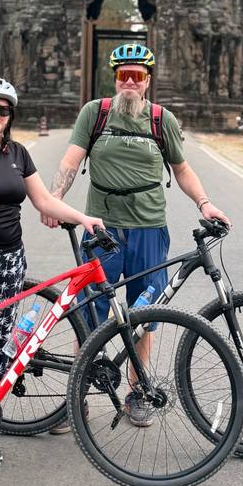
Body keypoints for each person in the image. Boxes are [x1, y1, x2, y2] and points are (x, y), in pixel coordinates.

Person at [42, 43, 230, 432]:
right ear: (115, 79)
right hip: (101, 229)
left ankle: (138, 392)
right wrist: (53, 198)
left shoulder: (162, 120)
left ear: (147, 82)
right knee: (88, 314)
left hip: (149, 228)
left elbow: (181, 169)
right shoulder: (95, 113)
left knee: (145, 313)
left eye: (137, 76)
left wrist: (205, 203)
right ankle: (75, 398)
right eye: (123, 75)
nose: (129, 82)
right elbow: (72, 160)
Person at [0, 76, 105, 473]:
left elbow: (43, 200)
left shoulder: (19, 154)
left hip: (9, 262)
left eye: (2, 110)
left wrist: (82, 218)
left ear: (10, 115)